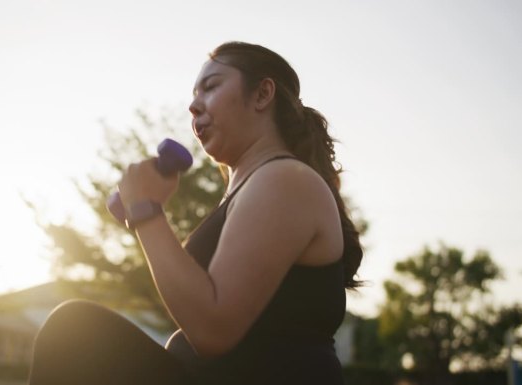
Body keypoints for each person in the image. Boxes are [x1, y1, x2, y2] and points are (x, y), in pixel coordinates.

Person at [28, 41, 363, 385]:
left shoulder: (285, 179)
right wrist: (144, 216)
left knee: (72, 330)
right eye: (193, 93)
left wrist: (147, 212)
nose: (193, 106)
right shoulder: (255, 188)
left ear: (262, 94)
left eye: (212, 86)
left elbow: (213, 329)